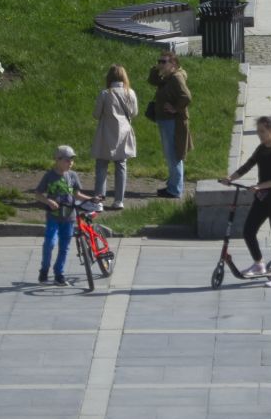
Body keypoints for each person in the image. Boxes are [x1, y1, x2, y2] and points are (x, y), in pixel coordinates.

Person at [227, 116, 271, 288]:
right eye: (258, 132)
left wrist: (259, 186)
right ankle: (259, 264)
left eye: (262, 131)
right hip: (262, 198)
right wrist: (230, 178)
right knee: (248, 230)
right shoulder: (262, 149)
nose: (260, 135)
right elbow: (248, 164)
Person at [33, 145, 89, 285]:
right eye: (67, 160)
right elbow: (38, 194)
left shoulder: (72, 176)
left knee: (65, 246)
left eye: (72, 160)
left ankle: (59, 273)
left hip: (69, 216)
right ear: (57, 160)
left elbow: (76, 194)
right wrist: (48, 201)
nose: (70, 163)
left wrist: (90, 199)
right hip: (53, 216)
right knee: (50, 243)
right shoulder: (49, 176)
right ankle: (44, 270)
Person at [92, 66, 139, 211]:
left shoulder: (105, 93)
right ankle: (119, 201)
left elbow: (96, 114)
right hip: (123, 133)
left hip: (106, 132)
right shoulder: (130, 93)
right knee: (121, 166)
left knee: (101, 166)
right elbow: (134, 113)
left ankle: (99, 201)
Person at [147, 52, 192, 199]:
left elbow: (186, 96)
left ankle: (175, 190)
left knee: (174, 155)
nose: (160, 63)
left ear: (173, 64)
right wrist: (157, 67)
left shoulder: (176, 78)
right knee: (170, 155)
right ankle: (172, 186)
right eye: (158, 60)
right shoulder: (166, 77)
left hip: (173, 122)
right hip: (166, 120)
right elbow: (152, 80)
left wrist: (175, 108)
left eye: (163, 61)